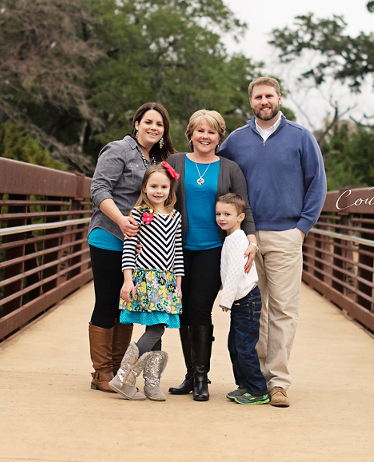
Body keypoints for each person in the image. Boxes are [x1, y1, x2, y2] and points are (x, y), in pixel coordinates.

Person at [218, 77, 327, 407]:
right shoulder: (236, 140)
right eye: (258, 97)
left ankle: (278, 381)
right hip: (245, 236)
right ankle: (258, 379)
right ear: (250, 101)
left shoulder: (301, 138)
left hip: (285, 236)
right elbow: (212, 169)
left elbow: (317, 184)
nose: (264, 101)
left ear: (279, 98)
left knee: (282, 310)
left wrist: (302, 229)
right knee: (254, 309)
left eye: (269, 95)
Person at [165, 109, 257, 402]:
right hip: (175, 249)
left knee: (200, 310)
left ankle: (203, 377)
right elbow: (157, 197)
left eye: (212, 132)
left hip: (212, 251)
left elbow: (246, 207)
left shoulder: (230, 168)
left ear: (219, 137)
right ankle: (190, 375)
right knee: (181, 312)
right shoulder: (175, 162)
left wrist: (251, 239)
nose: (205, 136)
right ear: (190, 134)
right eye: (199, 131)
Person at [87, 103, 176, 393]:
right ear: (136, 123)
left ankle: (117, 371)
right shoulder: (118, 150)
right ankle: (101, 374)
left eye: (159, 124)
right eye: (148, 121)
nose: (153, 127)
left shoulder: (161, 159)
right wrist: (122, 221)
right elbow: (99, 189)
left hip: (140, 246)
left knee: (126, 303)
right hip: (110, 235)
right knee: (107, 301)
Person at [109, 163, 184, 401]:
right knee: (157, 327)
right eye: (153, 186)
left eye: (163, 186)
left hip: (167, 281)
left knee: (157, 328)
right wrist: (127, 280)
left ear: (170, 189)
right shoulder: (139, 214)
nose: (158, 191)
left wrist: (178, 285)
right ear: (144, 188)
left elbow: (178, 252)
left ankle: (152, 383)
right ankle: (123, 376)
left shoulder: (175, 217)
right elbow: (129, 248)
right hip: (144, 279)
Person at [216, 193, 269, 405]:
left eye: (227, 214)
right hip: (241, 301)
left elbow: (235, 273)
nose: (221, 218)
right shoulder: (231, 238)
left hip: (247, 300)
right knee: (235, 345)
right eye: (218, 213)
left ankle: (258, 390)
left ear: (240, 217)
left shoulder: (238, 239)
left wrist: (225, 300)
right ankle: (244, 385)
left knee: (245, 347)